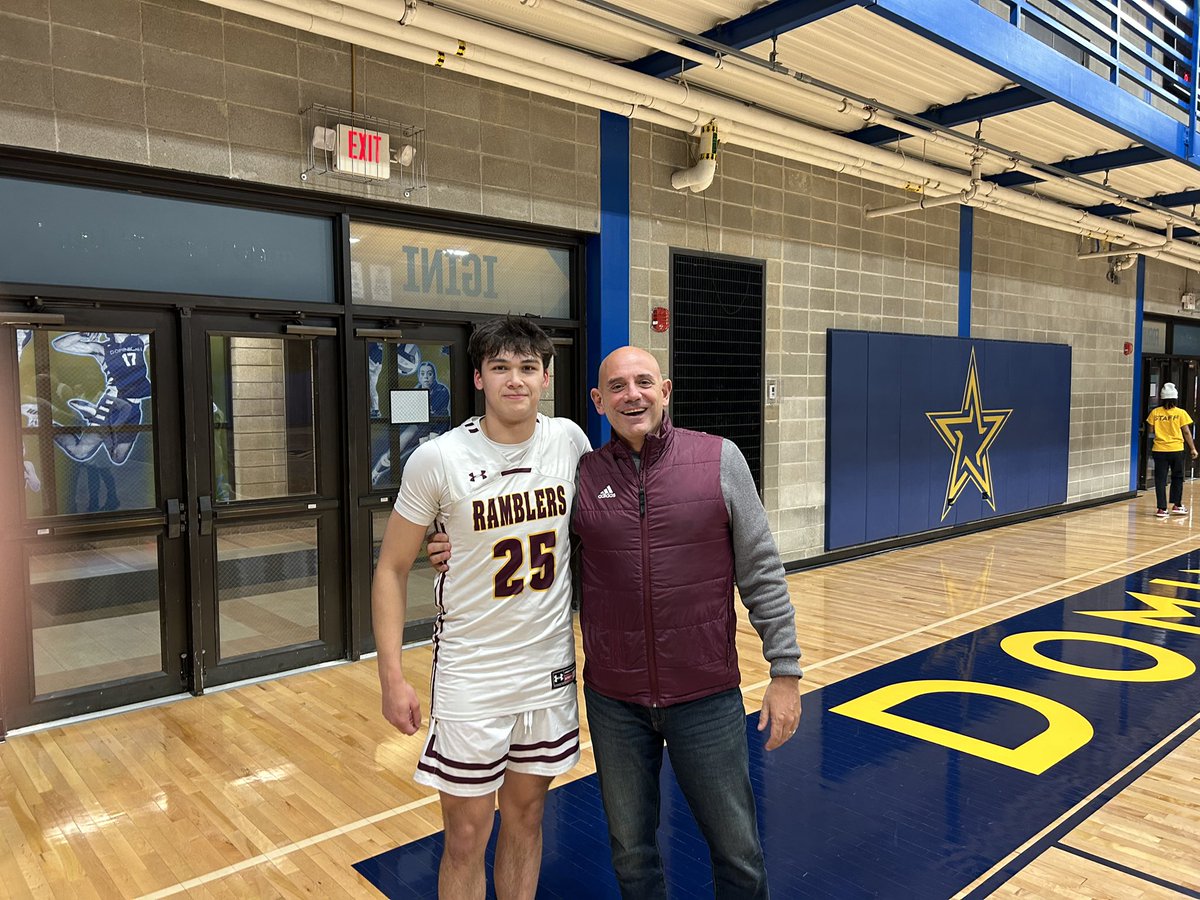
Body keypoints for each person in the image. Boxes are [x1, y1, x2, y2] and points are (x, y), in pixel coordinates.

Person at [430, 346, 803, 898]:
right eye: (618, 387)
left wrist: (785, 672)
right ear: (598, 401)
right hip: (615, 702)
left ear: (666, 390)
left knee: (737, 850)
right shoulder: (583, 474)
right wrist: (457, 544)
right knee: (632, 855)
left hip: (705, 694)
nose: (633, 395)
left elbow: (762, 570)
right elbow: (531, 533)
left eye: (644, 382)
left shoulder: (719, 459)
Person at [371, 317, 590, 899]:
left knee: (527, 820)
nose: (514, 381)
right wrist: (391, 676)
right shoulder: (437, 459)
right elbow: (391, 568)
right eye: (500, 368)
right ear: (478, 377)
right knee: (466, 835)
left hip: (548, 669)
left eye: (526, 368)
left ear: (547, 376)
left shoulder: (569, 441)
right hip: (472, 672)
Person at [1147, 381, 1197, 518]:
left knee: (1160, 479)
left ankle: (1162, 509)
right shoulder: (1181, 413)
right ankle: (1177, 505)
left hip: (1159, 450)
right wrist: (1193, 448)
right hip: (1176, 450)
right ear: (1175, 398)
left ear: (1162, 398)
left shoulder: (1155, 412)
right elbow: (1186, 432)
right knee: (1177, 477)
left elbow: (1151, 430)